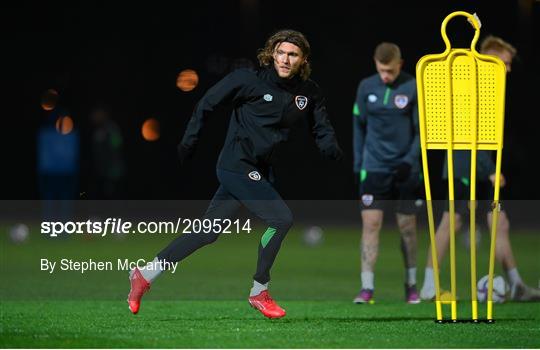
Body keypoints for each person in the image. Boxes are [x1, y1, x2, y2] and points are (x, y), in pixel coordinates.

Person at [127, 29, 343, 318]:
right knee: (281, 219)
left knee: (206, 233)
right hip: (235, 166)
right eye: (281, 52)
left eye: (293, 54)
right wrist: (189, 141)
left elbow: (321, 126)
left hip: (258, 171)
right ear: (271, 53)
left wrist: (331, 147)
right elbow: (206, 103)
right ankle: (260, 291)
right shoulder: (247, 80)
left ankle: (144, 274)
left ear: (302, 59)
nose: (286, 59)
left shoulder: (309, 92)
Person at [420, 36, 540, 301]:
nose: (508, 69)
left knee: (501, 223)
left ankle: (517, 284)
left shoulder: (492, 88)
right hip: (465, 167)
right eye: (504, 63)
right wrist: (488, 169)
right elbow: (465, 135)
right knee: (450, 222)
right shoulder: (472, 87)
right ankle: (429, 284)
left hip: (482, 167)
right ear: (488, 60)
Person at [352, 42, 421, 304]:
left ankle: (411, 284)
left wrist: (410, 160)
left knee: (407, 227)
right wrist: (359, 165)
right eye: (382, 70)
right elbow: (358, 126)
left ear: (400, 65)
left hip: (407, 169)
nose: (386, 76)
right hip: (374, 168)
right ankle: (366, 287)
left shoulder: (413, 86)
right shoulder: (366, 87)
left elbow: (421, 131)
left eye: (390, 71)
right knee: (370, 225)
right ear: (375, 63)